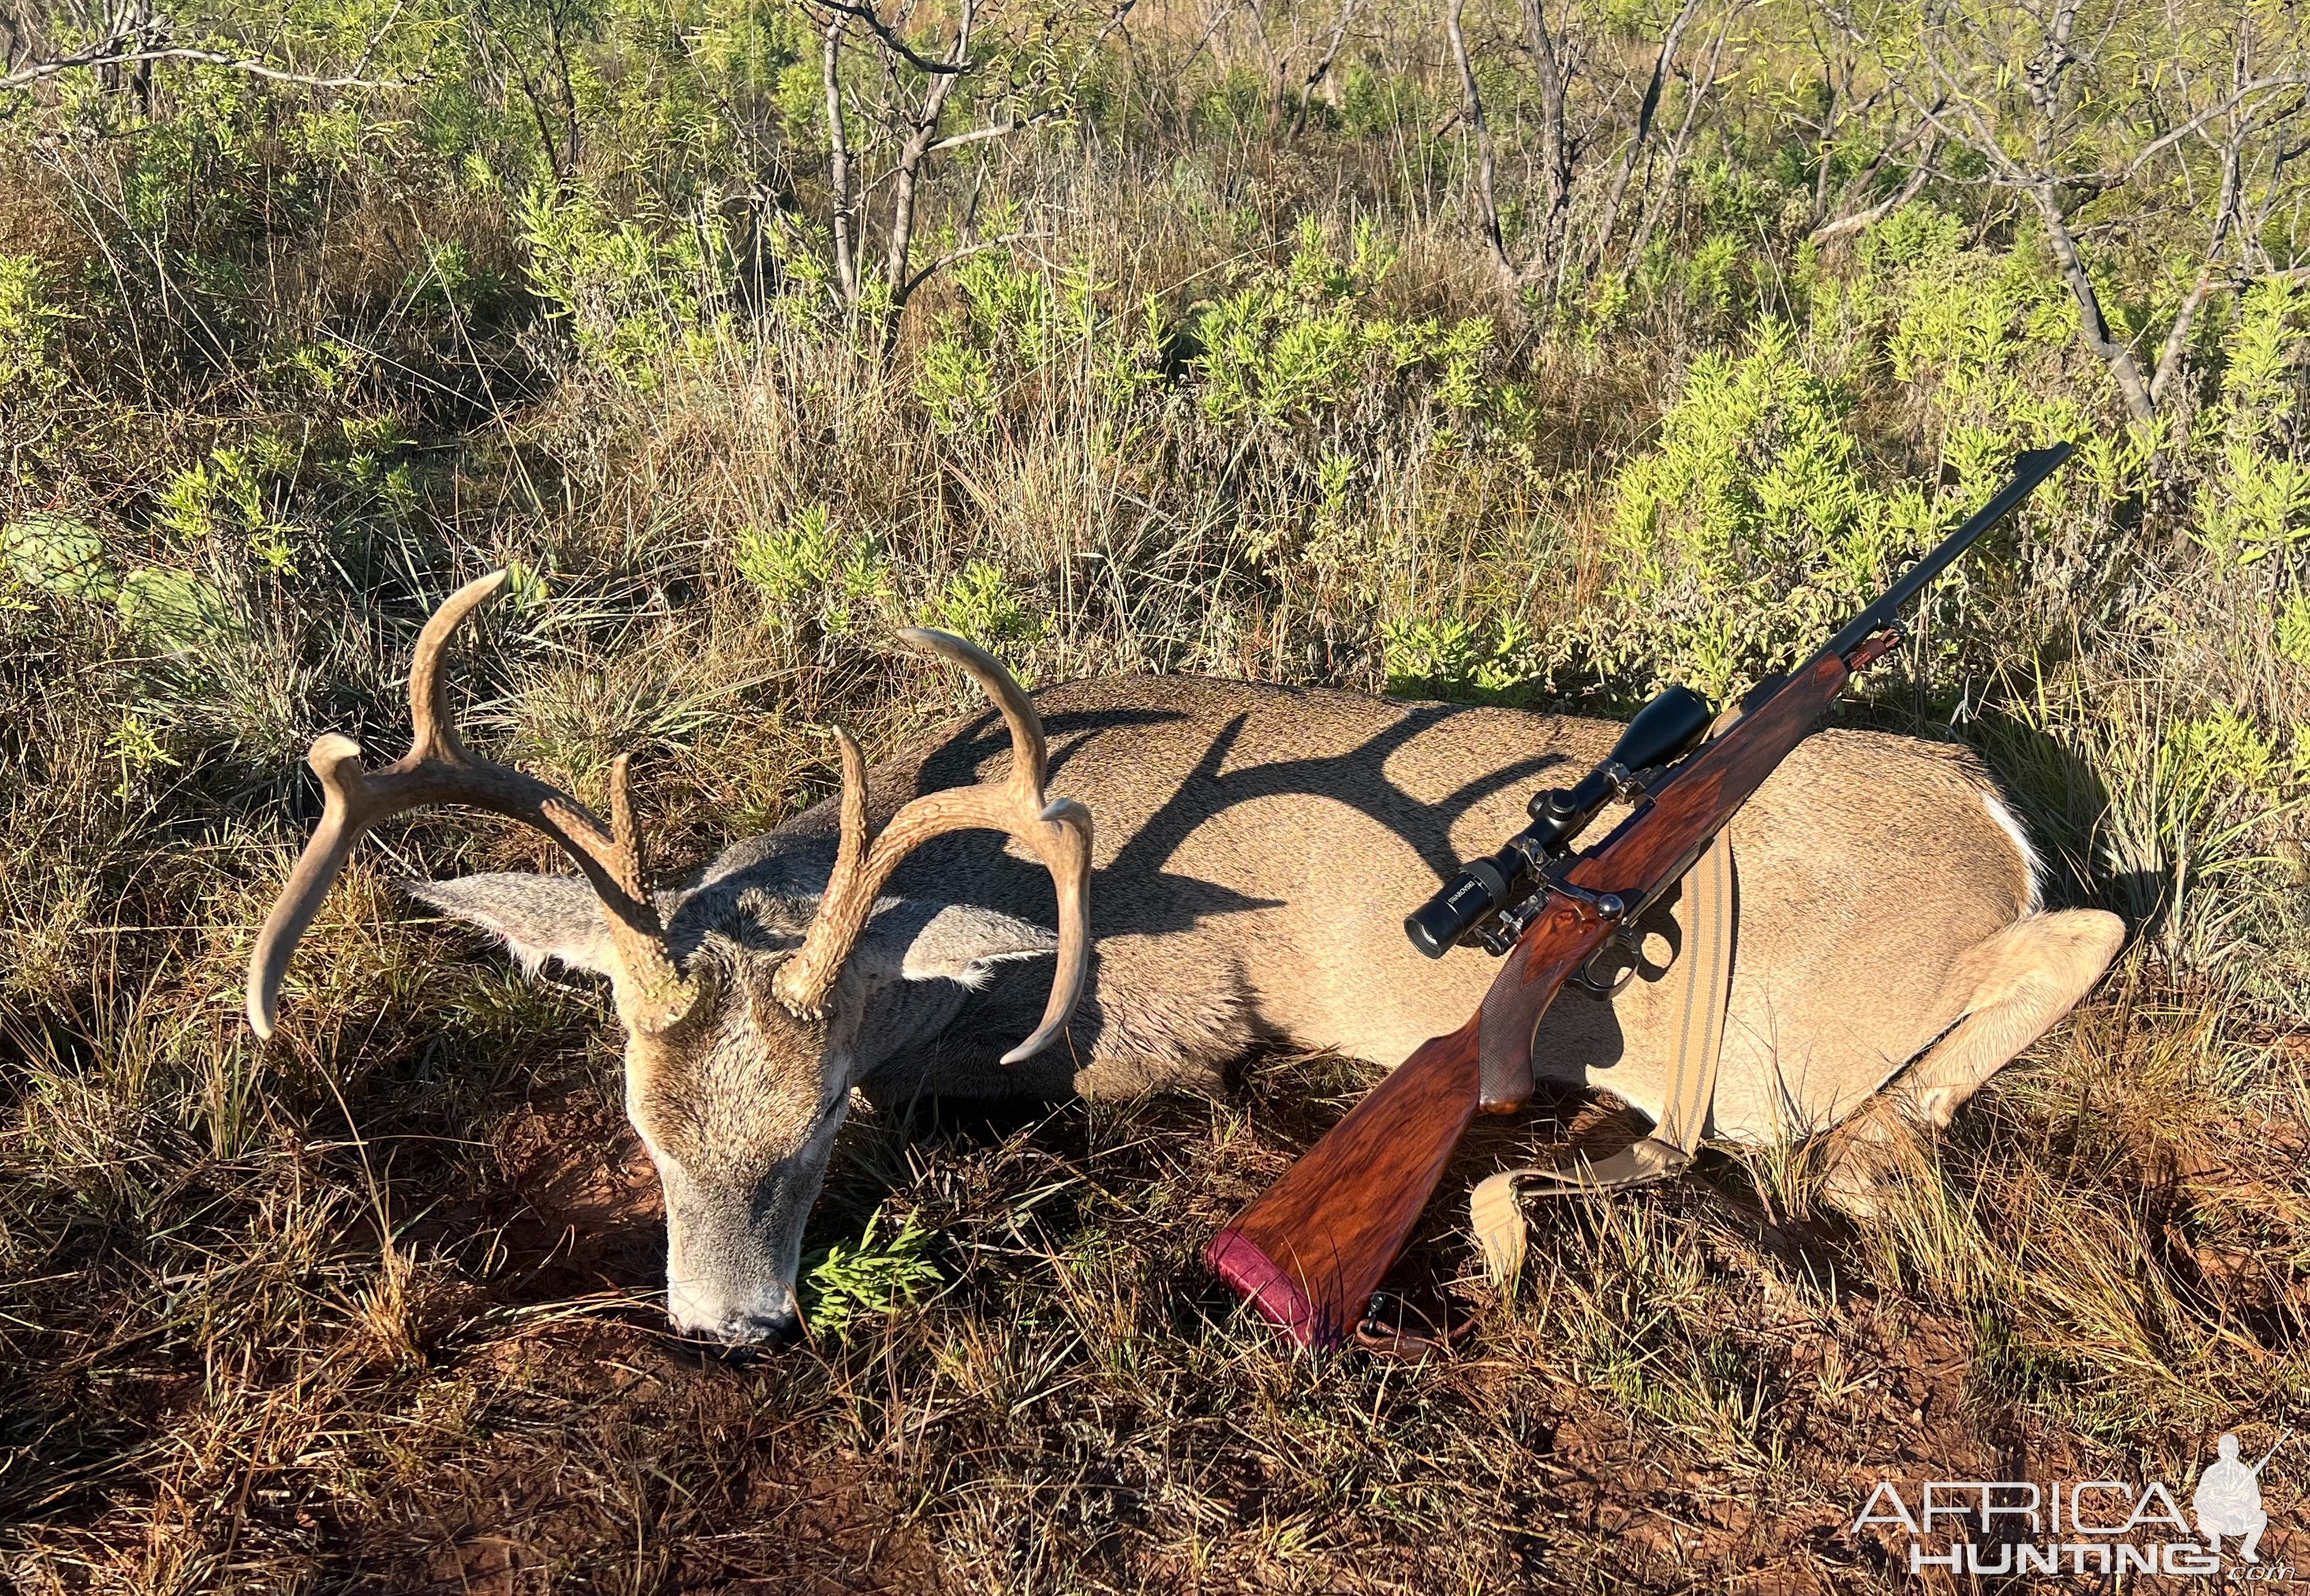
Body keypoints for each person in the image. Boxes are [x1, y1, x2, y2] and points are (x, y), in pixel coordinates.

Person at [2196, 1434, 2270, 1563]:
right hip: (2217, 1521)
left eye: (2231, 1451)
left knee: (2261, 1516)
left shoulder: (2245, 1472)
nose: (2228, 1454)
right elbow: (2199, 1500)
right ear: (2220, 1451)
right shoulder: (2211, 1472)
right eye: (2226, 1451)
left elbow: (2256, 1502)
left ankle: (2248, 1548)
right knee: (2202, 1516)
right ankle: (2215, 1539)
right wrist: (2217, 1501)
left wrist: (2241, 1508)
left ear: (2236, 1452)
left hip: (2240, 1522)